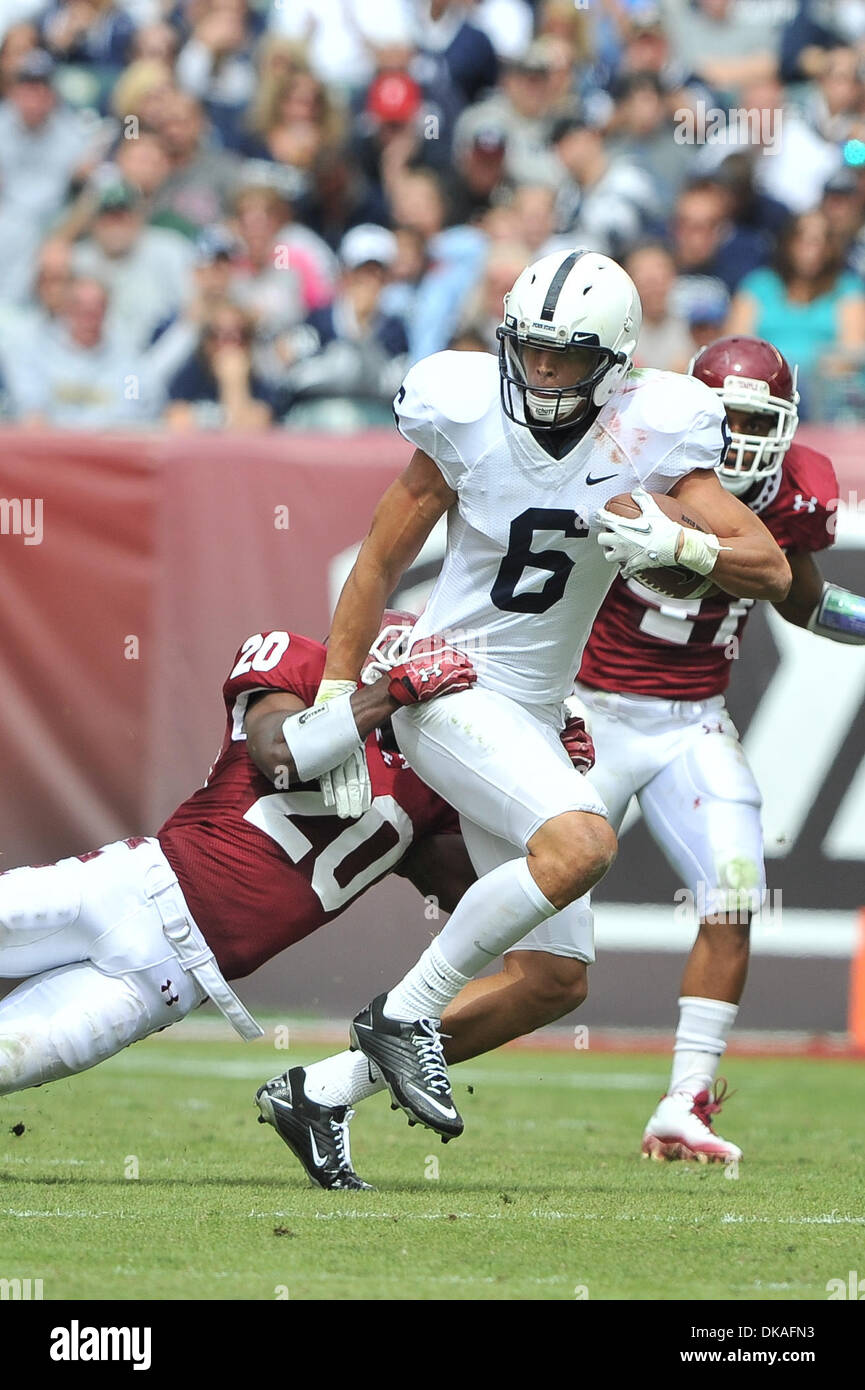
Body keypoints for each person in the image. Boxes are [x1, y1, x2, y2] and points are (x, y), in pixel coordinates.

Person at [300, 247, 791, 1144]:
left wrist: (686, 551)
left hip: (529, 711)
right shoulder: (465, 409)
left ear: (614, 362)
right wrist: (338, 696)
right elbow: (375, 560)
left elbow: (767, 563)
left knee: (552, 982)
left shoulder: (656, 427)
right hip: (449, 686)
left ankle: (318, 1095)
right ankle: (404, 1015)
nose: (540, 371)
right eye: (528, 350)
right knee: (583, 842)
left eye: (563, 356)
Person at [0, 615, 595, 1191]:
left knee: (13, 1056)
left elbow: (484, 899)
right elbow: (277, 753)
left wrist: (543, 790)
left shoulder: (438, 780)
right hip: (122, 889)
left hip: (170, 982)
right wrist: (386, 696)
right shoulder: (298, 665)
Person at [573, 335, 865, 1162]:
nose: (739, 436)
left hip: (689, 720)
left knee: (734, 893)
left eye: (755, 419)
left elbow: (803, 602)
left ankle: (685, 1101)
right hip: (585, 711)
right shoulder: (637, 454)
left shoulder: (794, 490)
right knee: (533, 918)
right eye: (726, 416)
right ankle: (396, 1040)